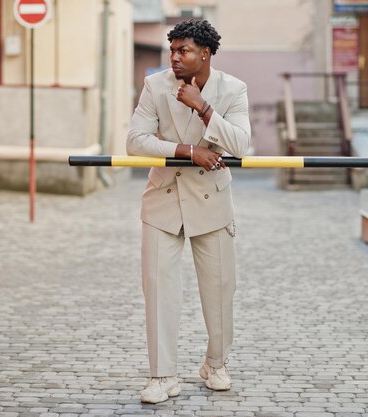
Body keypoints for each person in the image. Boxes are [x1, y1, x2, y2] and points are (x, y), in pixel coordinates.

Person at [126, 19, 251, 404]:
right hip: (163, 198)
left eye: (184, 51)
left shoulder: (233, 89)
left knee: (219, 288)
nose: (175, 58)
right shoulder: (155, 85)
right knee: (159, 290)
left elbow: (242, 145)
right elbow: (135, 141)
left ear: (206, 54)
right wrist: (187, 151)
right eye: (173, 50)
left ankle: (215, 363)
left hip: (211, 200)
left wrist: (205, 111)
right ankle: (162, 375)